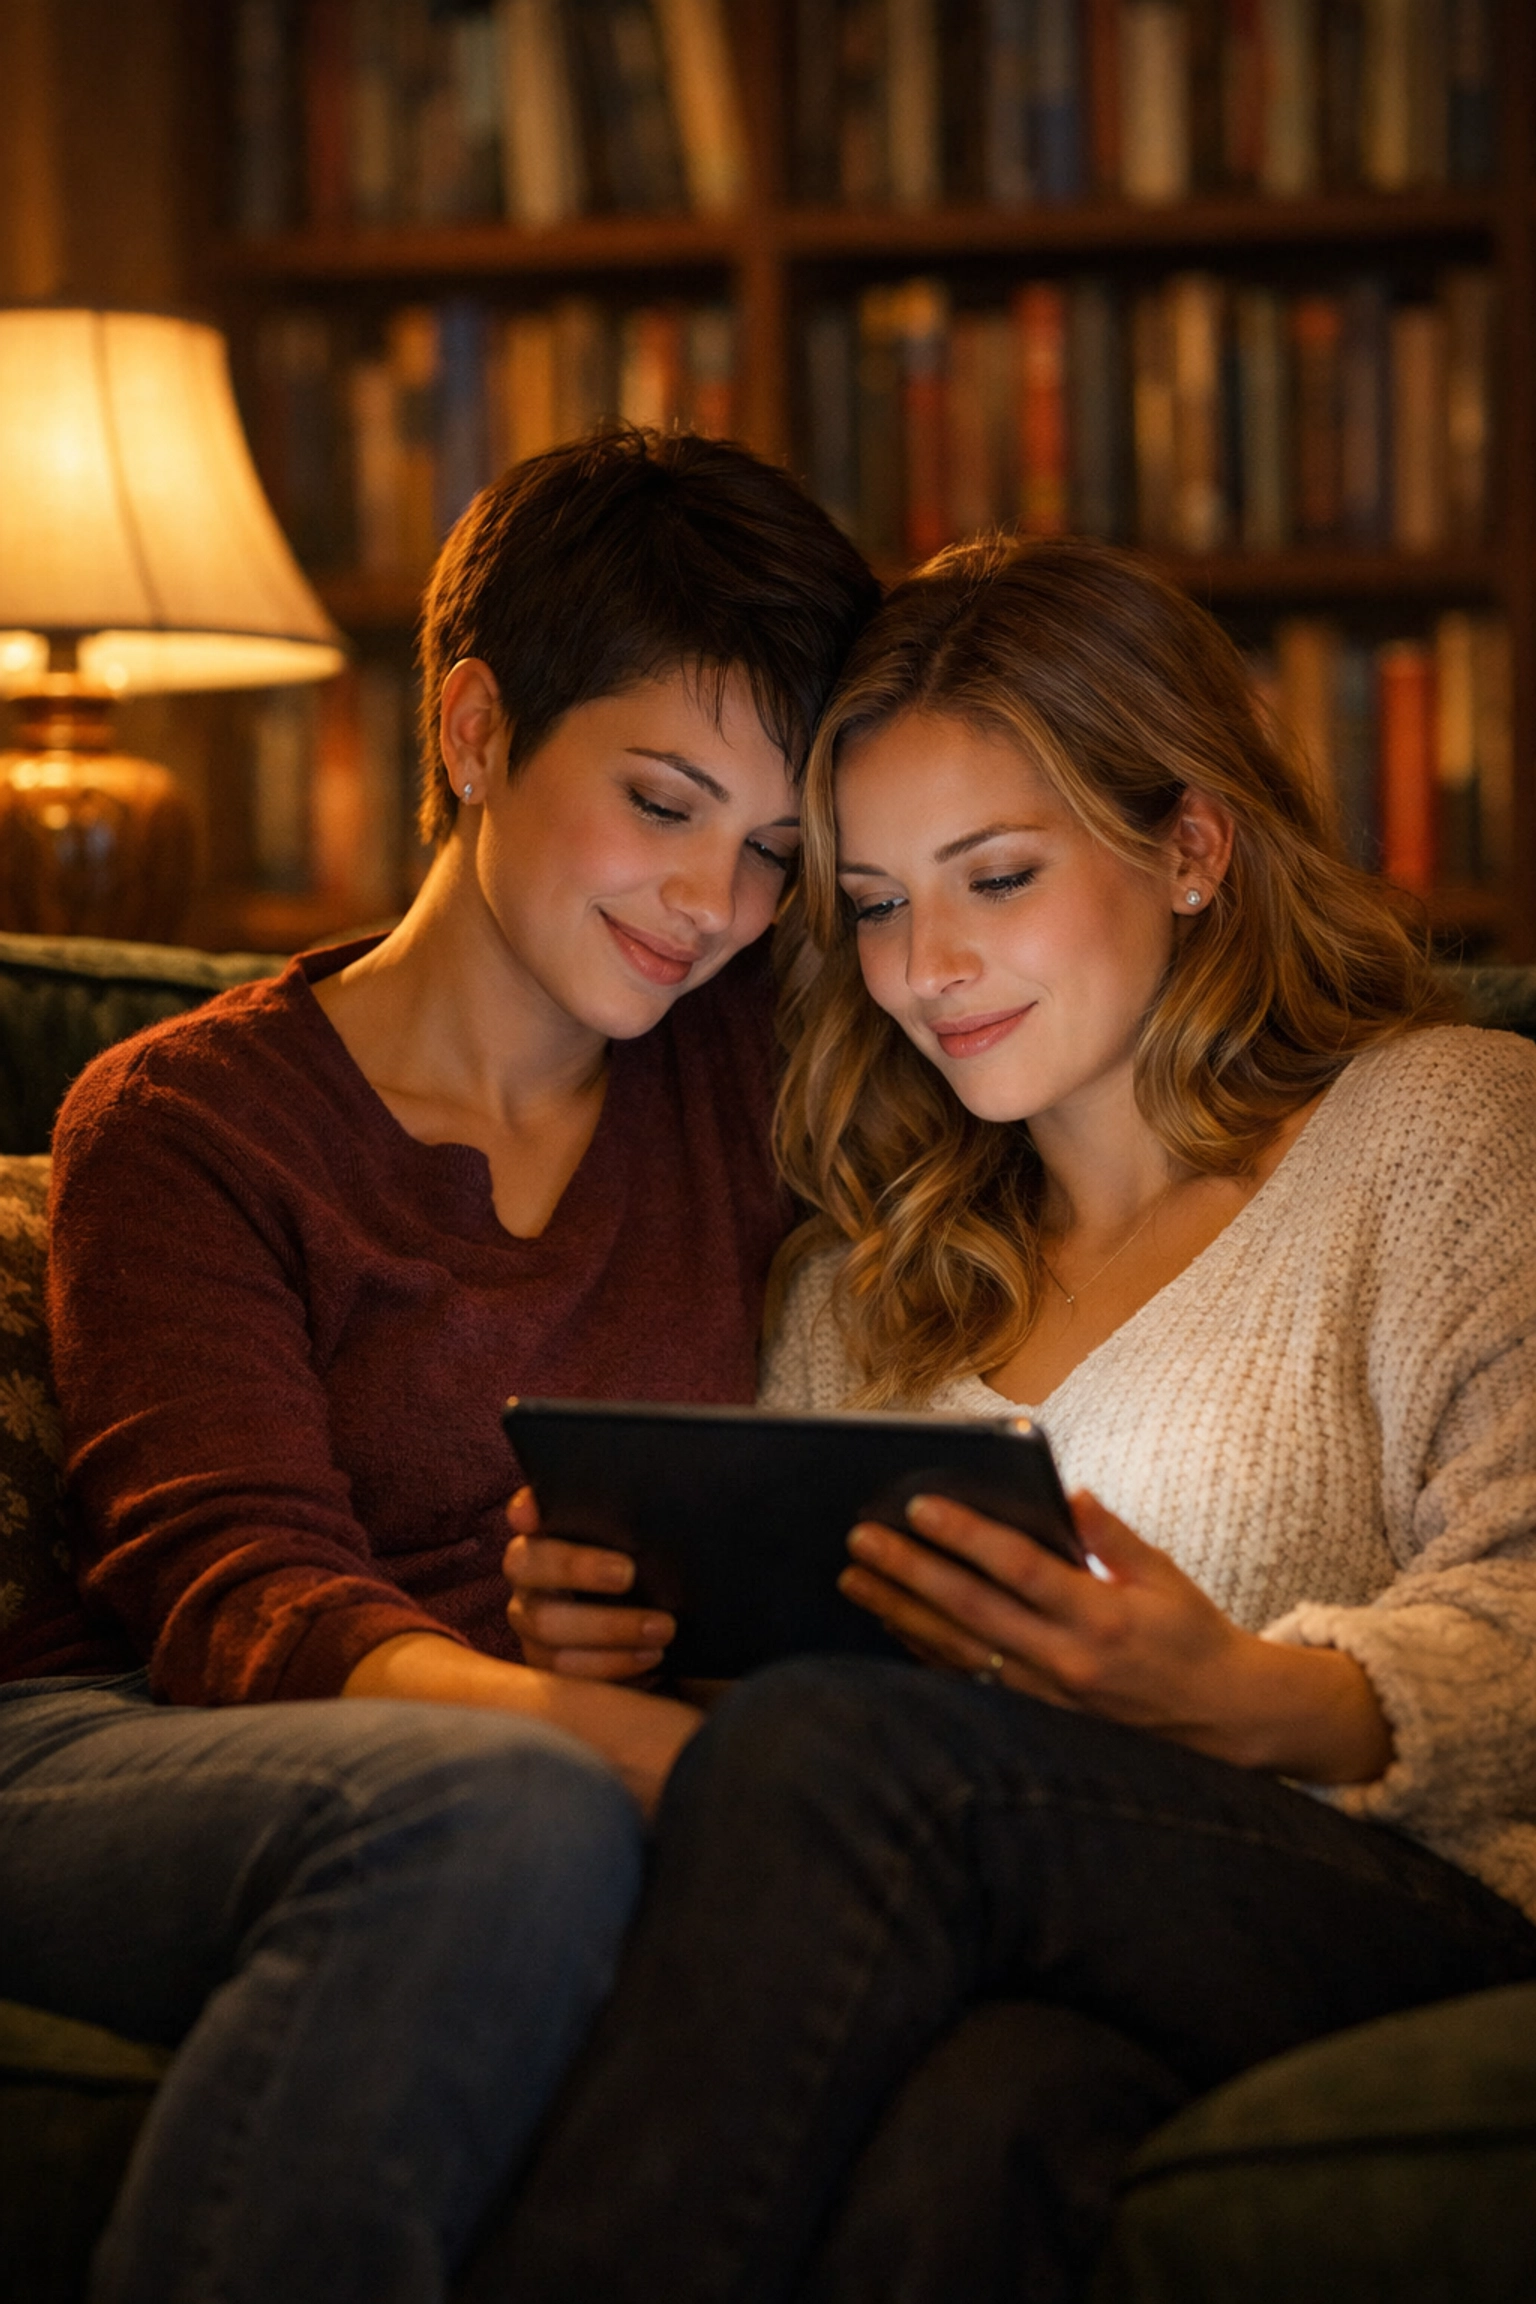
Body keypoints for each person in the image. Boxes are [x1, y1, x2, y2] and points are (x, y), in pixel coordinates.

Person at [474, 536, 1536, 2304]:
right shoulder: (861, 1287)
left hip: (1416, 1905)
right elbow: (815, 1754)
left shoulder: (1446, 1136)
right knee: (984, 2132)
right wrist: (634, 1651)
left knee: (847, 1762)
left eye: (998, 877)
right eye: (879, 903)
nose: (927, 968)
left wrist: (1238, 1693)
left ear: (1189, 848)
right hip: (1040, 1963)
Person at [0, 427, 878, 2304]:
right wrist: (660, 1759)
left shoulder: (748, 1080)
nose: (711, 908)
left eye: (771, 855)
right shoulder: (187, 1118)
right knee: (515, 1815)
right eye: (660, 803)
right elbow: (228, 1594)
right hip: (120, 1749)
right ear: (475, 731)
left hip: (533, 1778)